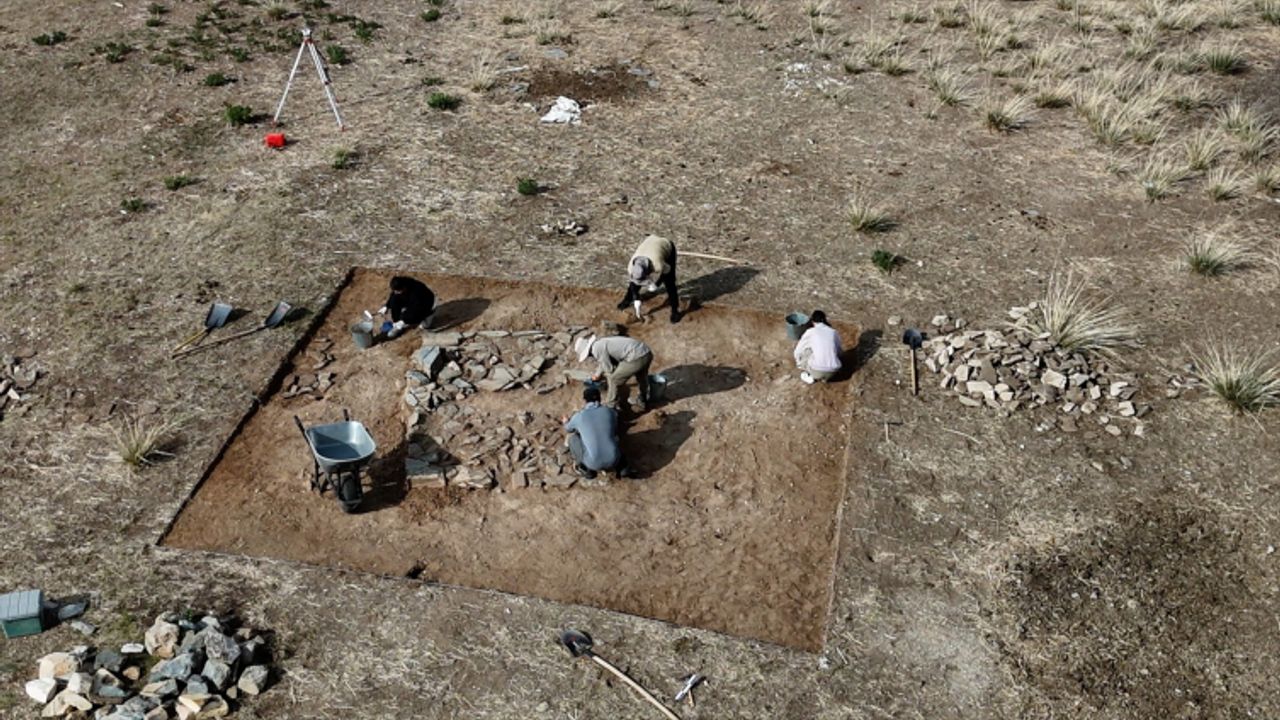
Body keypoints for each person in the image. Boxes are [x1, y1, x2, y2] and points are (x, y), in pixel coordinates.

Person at [575, 333, 653, 411]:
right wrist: (597, 374)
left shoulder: (596, 349)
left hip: (635, 357)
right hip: (645, 352)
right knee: (641, 378)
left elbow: (609, 370)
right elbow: (603, 363)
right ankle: (643, 399)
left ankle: (610, 406)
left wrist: (604, 379)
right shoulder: (600, 343)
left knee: (614, 379)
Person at [562, 386, 624, 479]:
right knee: (612, 435)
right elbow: (615, 427)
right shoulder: (610, 411)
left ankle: (584, 467)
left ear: (585, 400)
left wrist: (565, 421)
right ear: (600, 398)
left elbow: (568, 429)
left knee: (573, 439)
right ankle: (622, 465)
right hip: (614, 459)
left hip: (593, 463)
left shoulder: (579, 416)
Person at [617, 234, 681, 323]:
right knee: (635, 283)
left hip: (665, 245)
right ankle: (627, 299)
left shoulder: (657, 265)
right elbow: (634, 282)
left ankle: (675, 310)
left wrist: (657, 284)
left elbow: (667, 272)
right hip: (649, 242)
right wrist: (636, 297)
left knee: (670, 282)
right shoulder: (631, 267)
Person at [793, 310, 842, 384]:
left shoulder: (810, 331)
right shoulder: (833, 332)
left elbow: (798, 350)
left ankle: (811, 377)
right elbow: (839, 351)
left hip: (817, 371)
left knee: (807, 351)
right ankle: (826, 378)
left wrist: (799, 362)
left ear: (813, 322)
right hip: (834, 371)